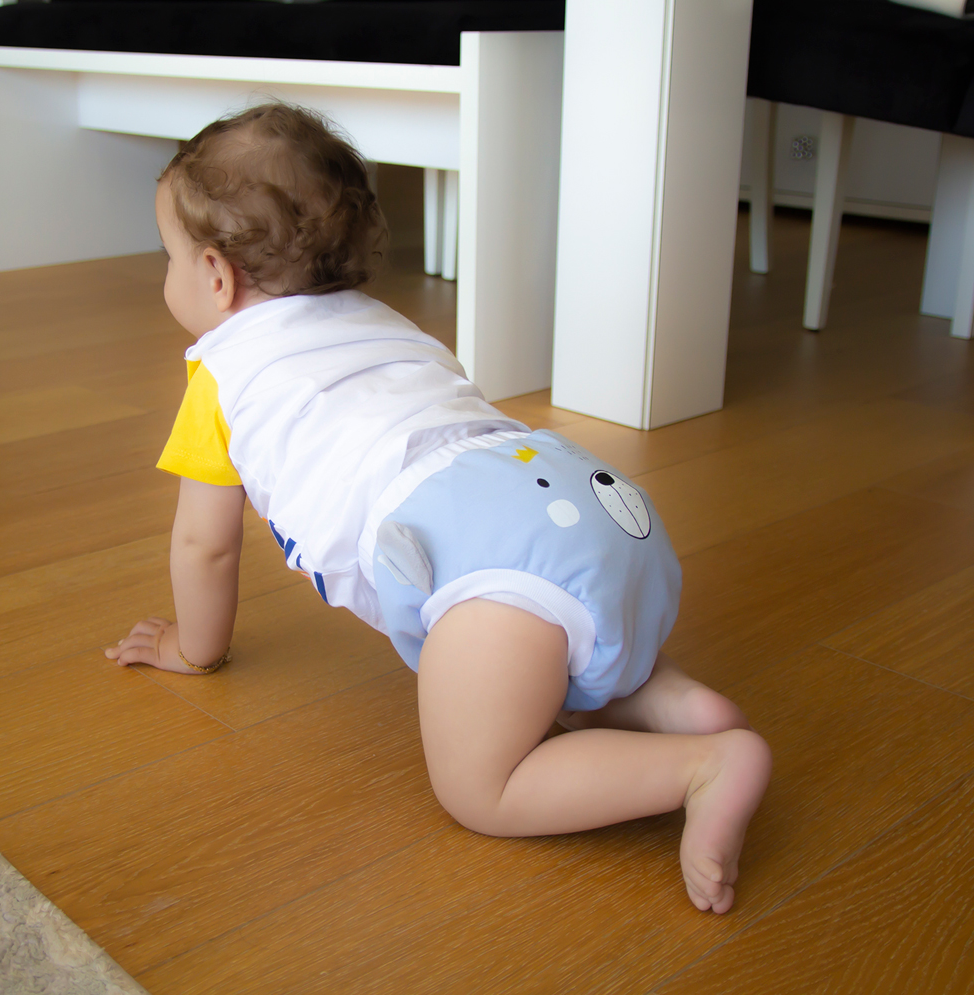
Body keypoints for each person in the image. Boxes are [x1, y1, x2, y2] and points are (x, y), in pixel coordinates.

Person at [105, 103, 771, 915]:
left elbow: (204, 545)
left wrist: (193, 647)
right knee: (553, 653)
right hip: (581, 496)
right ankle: (678, 704)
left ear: (215, 275)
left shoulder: (224, 375)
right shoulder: (384, 325)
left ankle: (701, 766)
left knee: (482, 787)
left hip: (483, 558)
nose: (166, 277)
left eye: (168, 257)